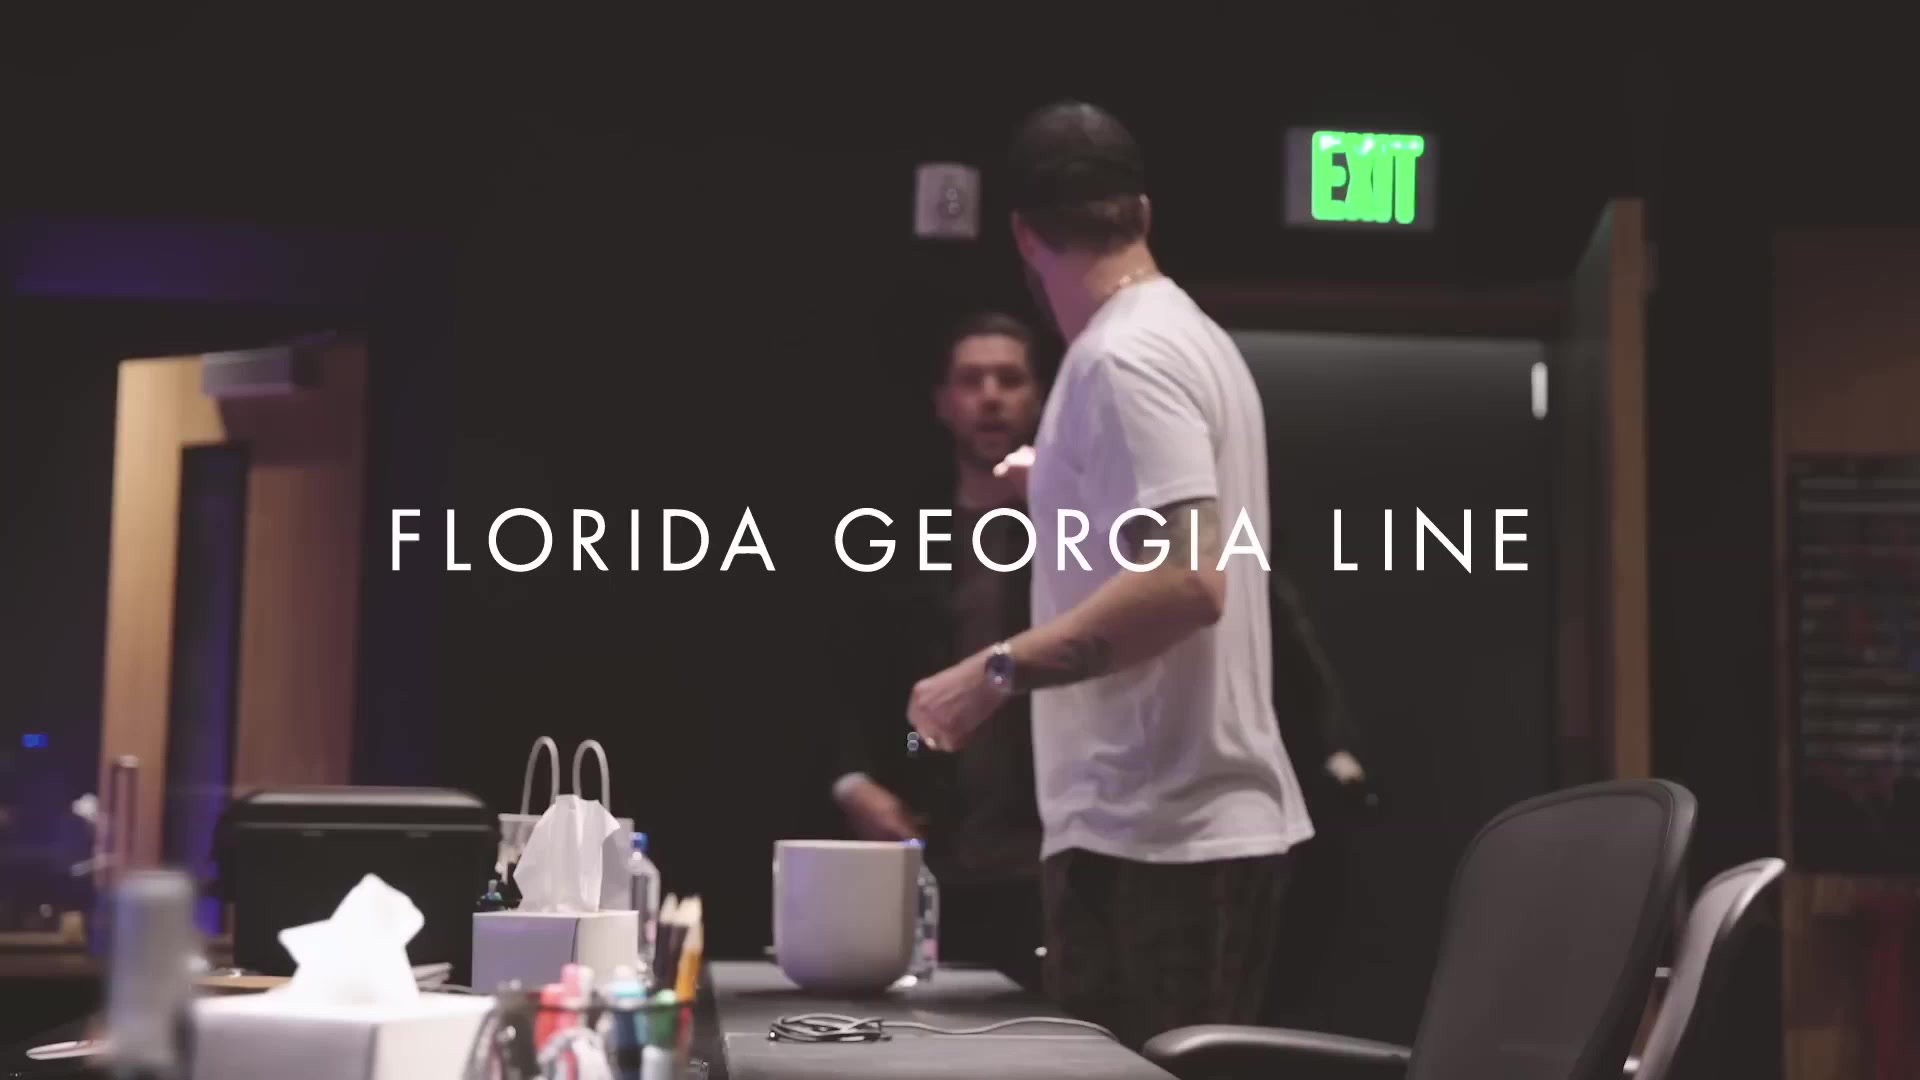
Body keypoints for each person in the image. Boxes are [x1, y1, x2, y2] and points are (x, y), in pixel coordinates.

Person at [906, 101, 1315, 1048]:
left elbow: (1187, 581)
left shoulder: (1123, 359)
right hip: (1169, 833)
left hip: (1160, 838)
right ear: (1141, 211)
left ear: (1023, 235)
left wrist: (994, 671)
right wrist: (1055, 484)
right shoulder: (1186, 337)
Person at [834, 310, 1047, 989]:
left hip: (1056, 851)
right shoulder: (898, 535)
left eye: (1009, 379)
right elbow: (848, 673)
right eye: (971, 380)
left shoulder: (1079, 533)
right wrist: (856, 780)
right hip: (935, 842)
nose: (991, 396)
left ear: (1040, 396)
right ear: (942, 402)